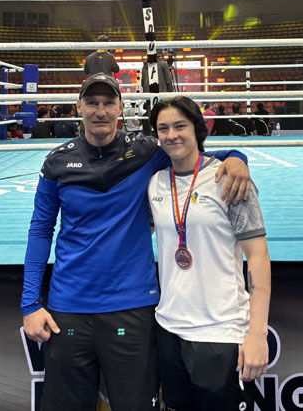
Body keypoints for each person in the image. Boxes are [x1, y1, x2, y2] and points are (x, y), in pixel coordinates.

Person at [22, 72, 252, 411]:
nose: (100, 111)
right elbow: (41, 230)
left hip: (132, 308)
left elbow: (194, 154)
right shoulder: (56, 162)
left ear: (121, 108)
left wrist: (236, 157)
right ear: (79, 107)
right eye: (92, 103)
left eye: (108, 103)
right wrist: (29, 304)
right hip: (68, 309)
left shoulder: (144, 151)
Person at [148, 97, 270, 410]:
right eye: (163, 128)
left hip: (221, 332)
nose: (171, 135)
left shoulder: (231, 179)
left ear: (197, 129)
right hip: (169, 329)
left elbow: (258, 259)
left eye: (180, 126)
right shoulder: (155, 183)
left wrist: (257, 335)